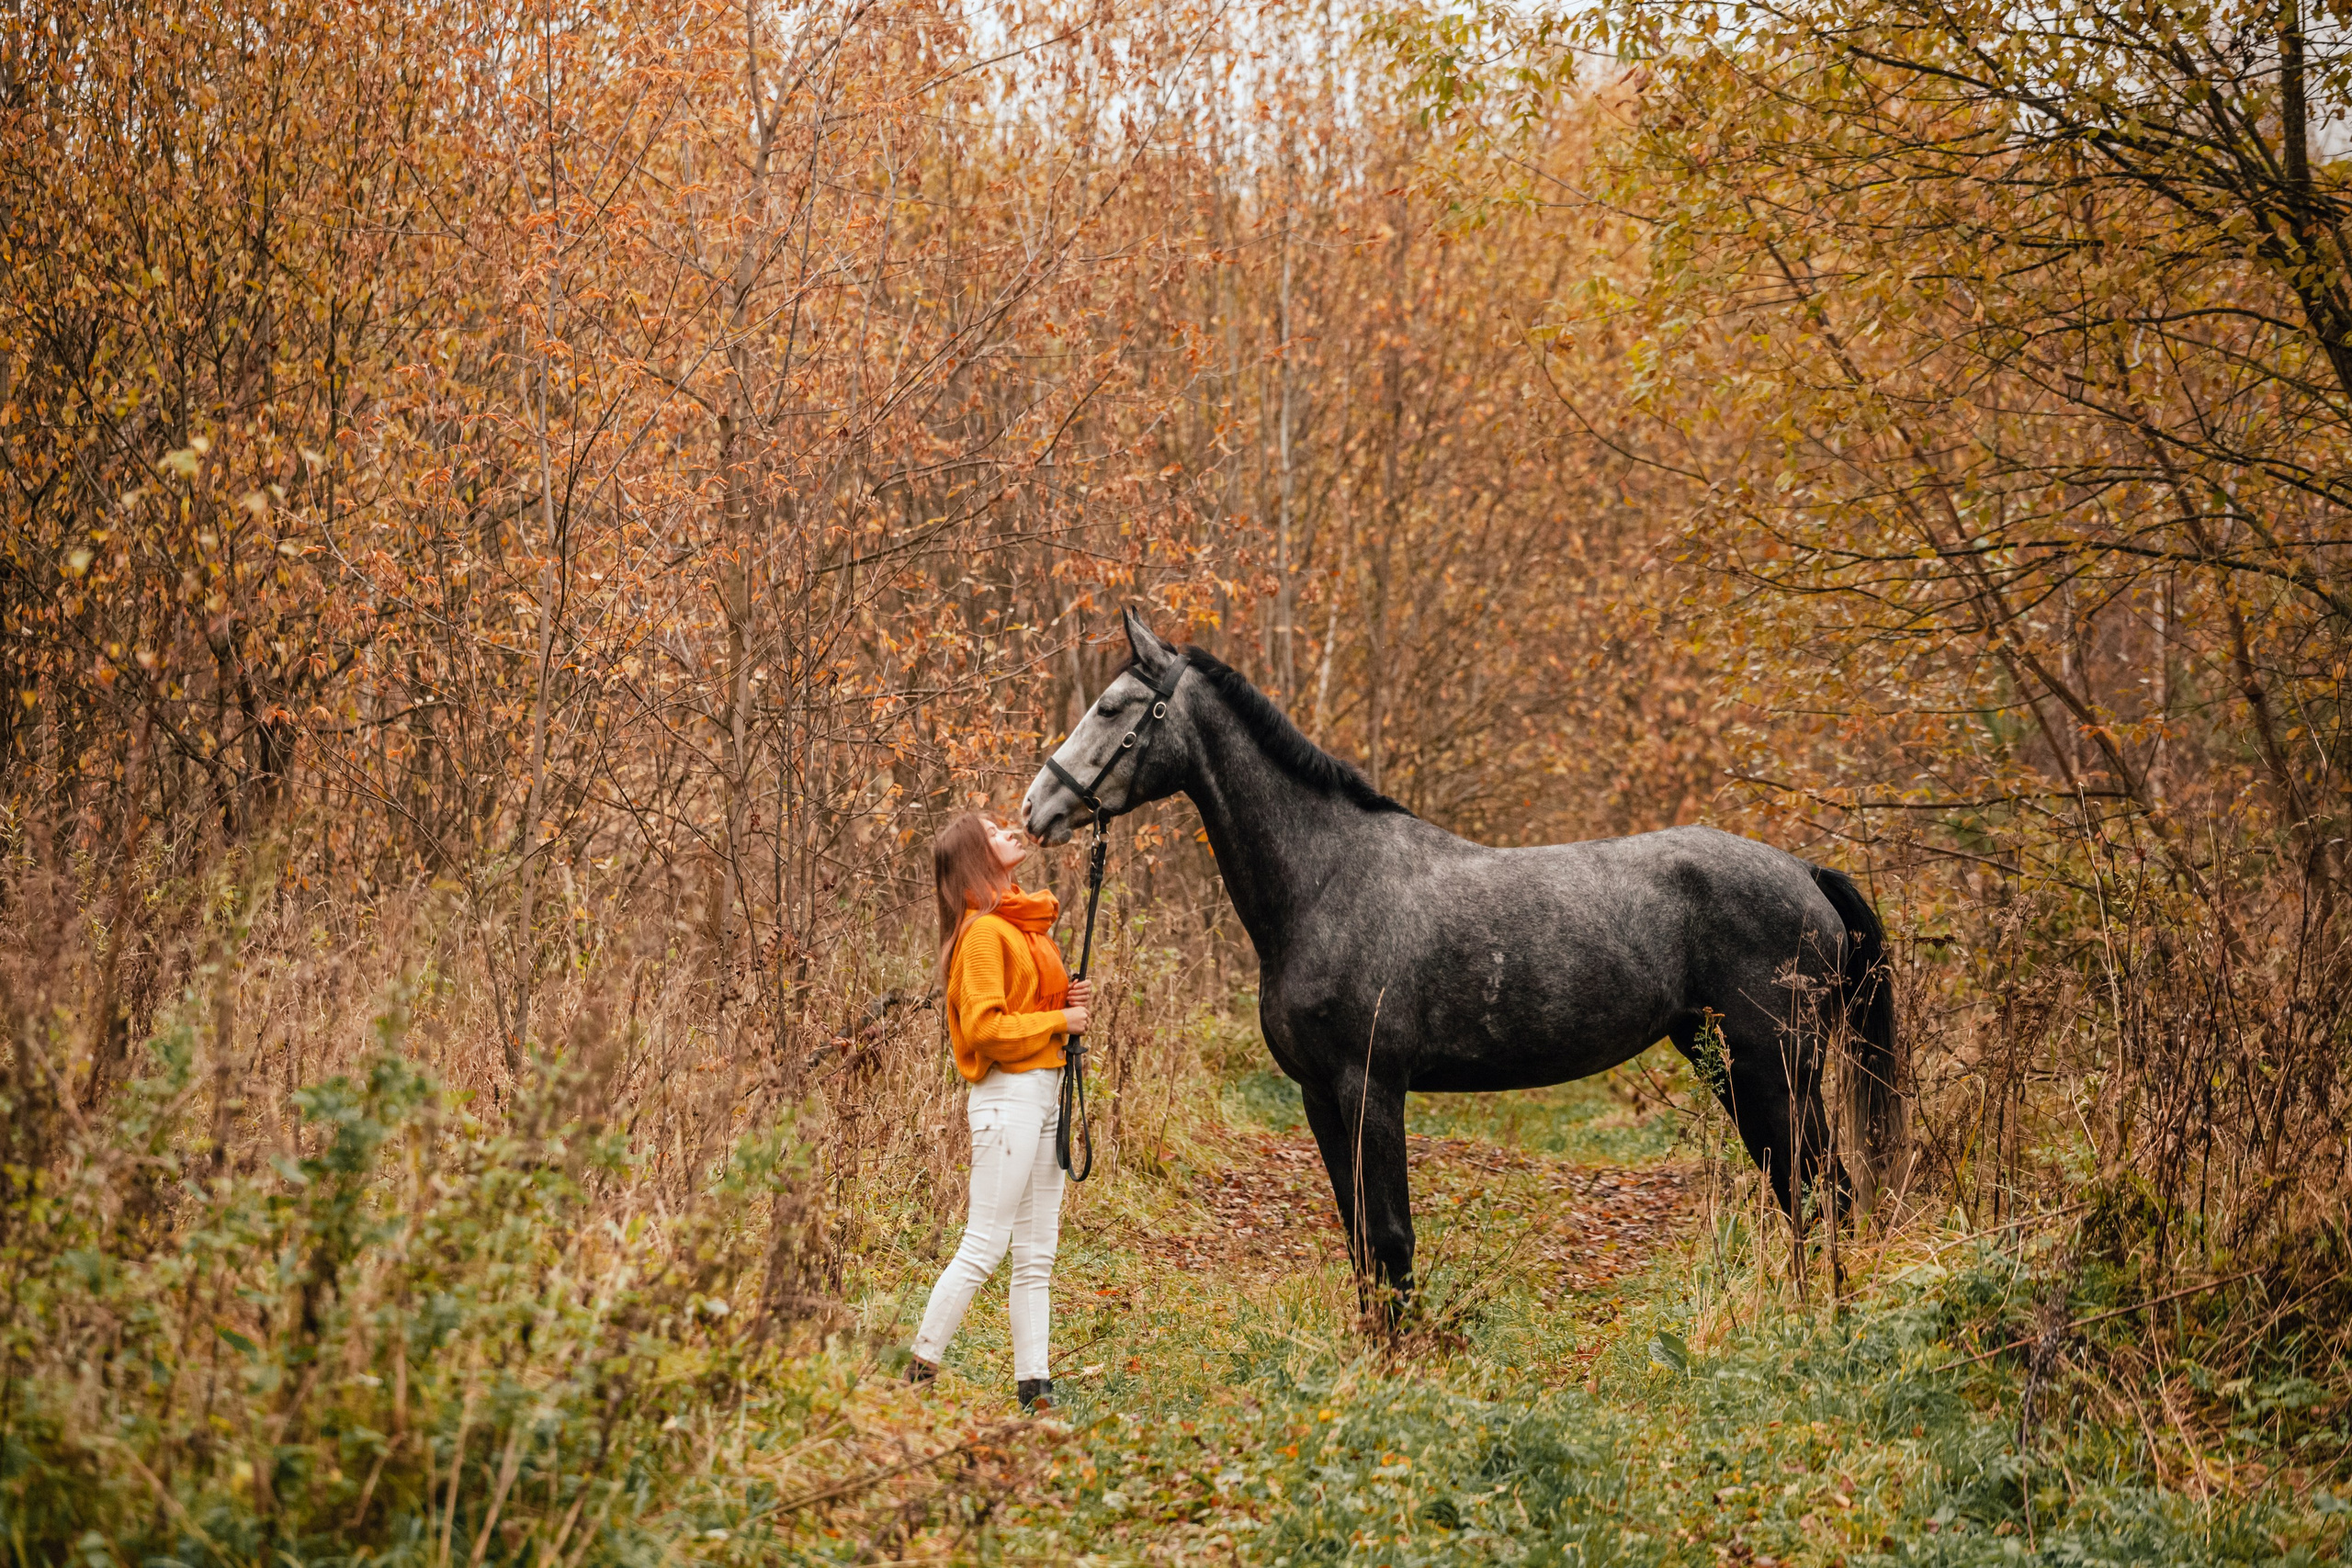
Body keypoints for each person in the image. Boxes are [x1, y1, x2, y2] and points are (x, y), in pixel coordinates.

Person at [905, 812, 1091, 1411]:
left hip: (1043, 1094)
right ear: (974, 855)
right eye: (992, 829)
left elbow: (1025, 1008)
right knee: (984, 1245)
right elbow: (986, 1028)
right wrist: (1061, 1020)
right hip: (1006, 1097)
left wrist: (1068, 1001)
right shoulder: (984, 933)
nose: (1009, 828)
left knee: (1037, 1254)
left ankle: (1035, 1388)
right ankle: (916, 1376)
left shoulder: (1025, 928)